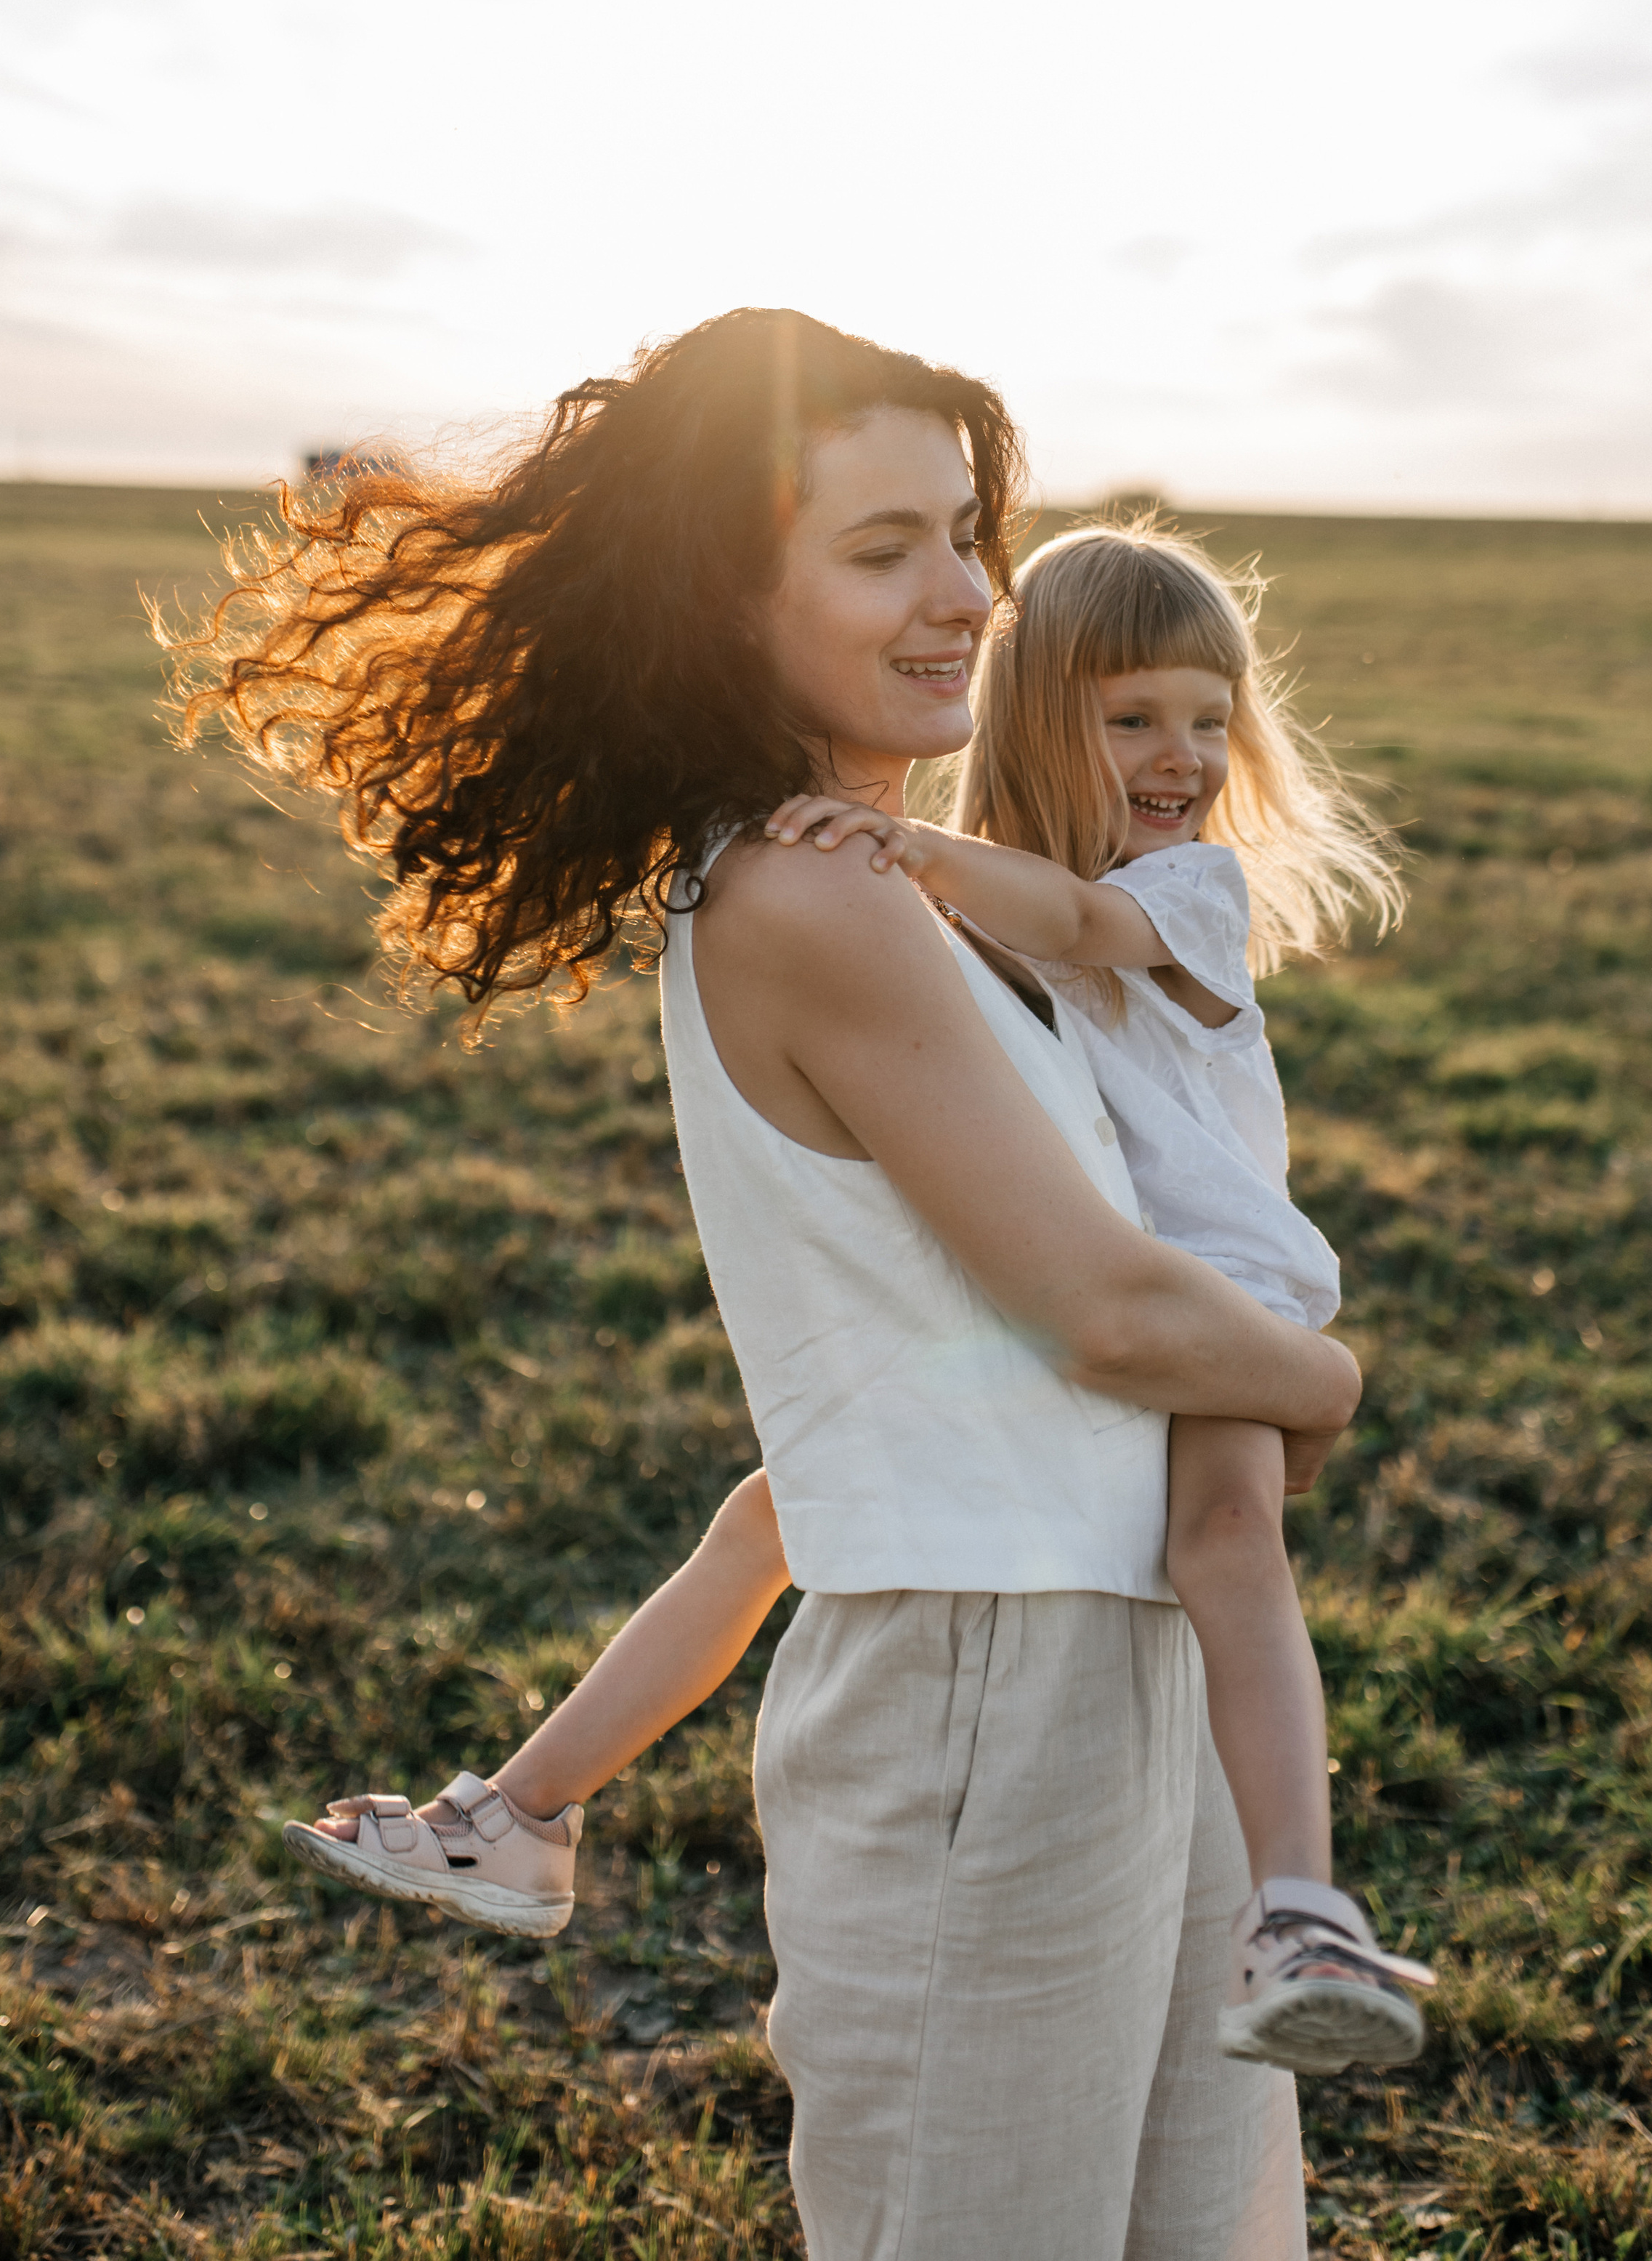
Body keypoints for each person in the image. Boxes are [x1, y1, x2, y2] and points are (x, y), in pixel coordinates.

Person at [172, 308, 1360, 2257]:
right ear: (729, 605)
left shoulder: (900, 882)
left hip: (1116, 1637)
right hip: (995, 1679)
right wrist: (1324, 1385)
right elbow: (1120, 1317)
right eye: (881, 548)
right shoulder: (809, 896)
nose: (967, 593)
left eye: (965, 533)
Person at [287, 517, 1433, 2082]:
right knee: (773, 1514)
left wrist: (905, 850)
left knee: (1227, 1545)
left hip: (1207, 1293)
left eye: (1207, 719)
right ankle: (524, 1815)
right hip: (1034, 1302)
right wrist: (904, 871)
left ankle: (1303, 1907)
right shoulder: (933, 914)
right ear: (1039, 718)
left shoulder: (1182, 892)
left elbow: (1077, 925)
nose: (1181, 756)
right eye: (1131, 719)